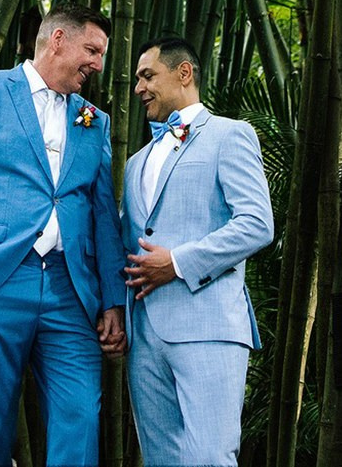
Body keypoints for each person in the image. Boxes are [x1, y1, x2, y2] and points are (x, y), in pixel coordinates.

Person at [0, 6, 128, 467]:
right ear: (58, 39)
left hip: (71, 290)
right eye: (92, 50)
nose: (98, 64)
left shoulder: (94, 120)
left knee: (80, 419)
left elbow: (102, 214)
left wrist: (113, 300)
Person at [121, 35, 275, 467]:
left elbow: (256, 224)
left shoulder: (230, 135)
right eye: (137, 79)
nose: (138, 88)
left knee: (209, 457)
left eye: (147, 75)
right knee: (161, 459)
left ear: (183, 73)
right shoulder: (136, 162)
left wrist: (178, 262)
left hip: (208, 323)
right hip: (144, 332)